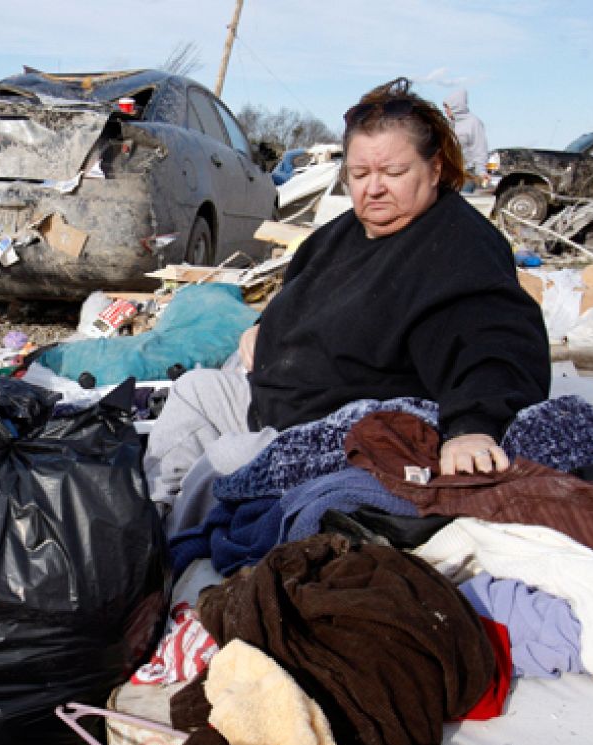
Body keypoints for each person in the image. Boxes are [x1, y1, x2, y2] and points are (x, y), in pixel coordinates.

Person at [148, 77, 547, 511]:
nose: (373, 188)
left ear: (434, 170)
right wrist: (262, 328)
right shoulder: (341, 234)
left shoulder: (458, 246)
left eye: (393, 173)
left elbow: (494, 343)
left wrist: (474, 425)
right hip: (272, 398)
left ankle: (186, 550)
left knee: (224, 465)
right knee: (193, 391)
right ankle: (155, 522)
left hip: (339, 431)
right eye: (359, 174)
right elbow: (298, 295)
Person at [443, 89, 489, 188]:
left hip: (467, 174)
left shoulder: (474, 123)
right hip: (450, 173)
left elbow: (480, 149)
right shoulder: (449, 125)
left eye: (447, 107)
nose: (445, 110)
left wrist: (481, 172)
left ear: (456, 106)